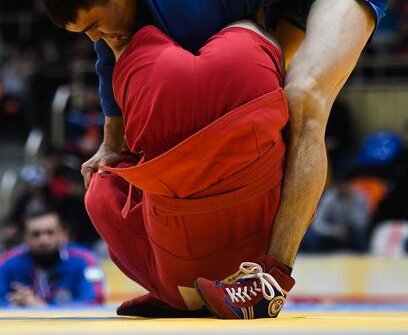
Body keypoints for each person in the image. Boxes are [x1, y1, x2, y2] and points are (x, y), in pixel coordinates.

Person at [35, 0, 390, 318]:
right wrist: (111, 141)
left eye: (94, 25)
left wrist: (127, 150)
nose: (96, 38)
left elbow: (156, 79)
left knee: (301, 100)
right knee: (199, 52)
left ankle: (271, 279)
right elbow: (111, 54)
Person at [84, 18, 294, 317]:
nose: (94, 33)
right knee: (307, 135)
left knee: (99, 185)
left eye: (94, 27)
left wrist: (112, 150)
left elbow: (103, 194)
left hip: (179, 281)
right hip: (256, 44)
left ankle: (265, 276)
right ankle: (274, 272)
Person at [0, 209, 105, 307]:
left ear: (63, 234)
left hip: (70, 327)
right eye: (36, 234)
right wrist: (13, 306)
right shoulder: (7, 261)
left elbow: (95, 300)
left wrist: (43, 308)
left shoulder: (85, 259)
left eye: (50, 232)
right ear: (25, 237)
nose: (43, 240)